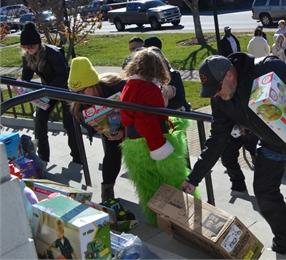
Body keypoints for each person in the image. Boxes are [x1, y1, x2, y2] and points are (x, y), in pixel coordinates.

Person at [182, 54, 286, 258]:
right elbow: (216, 140)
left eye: (217, 88)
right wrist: (193, 178)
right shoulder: (221, 100)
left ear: (229, 75)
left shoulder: (266, 67)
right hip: (271, 141)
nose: (216, 95)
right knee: (263, 190)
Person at [120, 47, 197, 226]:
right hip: (151, 144)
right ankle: (185, 218)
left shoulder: (129, 85)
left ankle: (157, 220)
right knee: (175, 180)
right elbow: (145, 120)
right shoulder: (149, 89)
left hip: (132, 144)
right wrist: (159, 147)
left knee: (148, 186)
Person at [19, 22, 82, 165]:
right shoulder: (27, 56)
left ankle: (77, 157)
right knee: (39, 119)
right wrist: (22, 86)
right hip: (46, 90)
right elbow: (26, 76)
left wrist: (47, 91)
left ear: (38, 44)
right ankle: (43, 157)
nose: (29, 49)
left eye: (31, 46)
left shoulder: (53, 53)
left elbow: (63, 75)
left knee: (69, 123)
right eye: (25, 47)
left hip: (63, 89)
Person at [68, 57, 126, 202]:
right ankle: (107, 190)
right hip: (112, 131)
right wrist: (100, 128)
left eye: (81, 92)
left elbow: (137, 112)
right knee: (112, 153)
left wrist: (124, 131)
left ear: (92, 84)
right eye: (74, 93)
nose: (78, 97)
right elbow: (83, 120)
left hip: (132, 127)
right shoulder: (79, 103)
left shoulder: (116, 86)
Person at [143, 36, 190, 112]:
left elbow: (180, 100)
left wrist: (159, 105)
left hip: (175, 114)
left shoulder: (173, 74)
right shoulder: (144, 76)